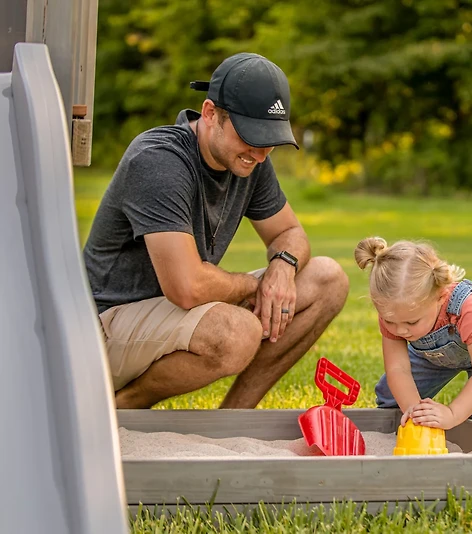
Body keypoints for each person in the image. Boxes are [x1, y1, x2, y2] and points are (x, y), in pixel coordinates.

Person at [83, 52, 349, 409]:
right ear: (210, 113)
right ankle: (124, 408)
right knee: (237, 331)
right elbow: (187, 288)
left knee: (328, 279)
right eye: (251, 136)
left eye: (269, 139)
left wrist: (283, 267)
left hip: (170, 315)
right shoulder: (158, 160)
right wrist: (257, 286)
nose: (260, 153)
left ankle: (234, 418)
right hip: (102, 328)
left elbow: (289, 233)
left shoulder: (251, 159)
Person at [354, 237, 472, 430]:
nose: (400, 330)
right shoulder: (394, 312)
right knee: (392, 397)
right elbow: (397, 369)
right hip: (437, 353)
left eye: (412, 322)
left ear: (440, 297)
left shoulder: (469, 309)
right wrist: (413, 410)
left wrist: (452, 414)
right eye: (389, 321)